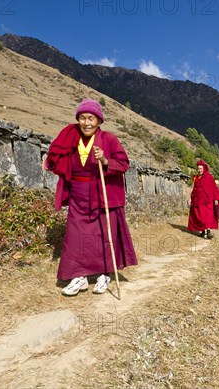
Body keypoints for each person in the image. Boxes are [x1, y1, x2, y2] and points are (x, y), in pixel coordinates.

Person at [43, 98, 137, 296]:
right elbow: (58, 158)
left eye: (91, 118)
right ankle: (79, 276)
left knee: (104, 234)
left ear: (99, 121)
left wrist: (104, 159)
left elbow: (123, 164)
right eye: (82, 118)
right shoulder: (70, 138)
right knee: (76, 236)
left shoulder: (109, 140)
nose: (86, 123)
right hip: (78, 193)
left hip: (103, 193)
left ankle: (104, 274)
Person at [187, 160, 219, 239]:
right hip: (198, 200)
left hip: (208, 201)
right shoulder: (195, 178)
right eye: (198, 168)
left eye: (201, 168)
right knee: (200, 217)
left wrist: (216, 199)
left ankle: (209, 232)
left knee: (208, 217)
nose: (199, 170)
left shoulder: (209, 177)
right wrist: (190, 198)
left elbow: (214, 189)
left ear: (204, 168)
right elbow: (193, 188)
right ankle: (203, 232)